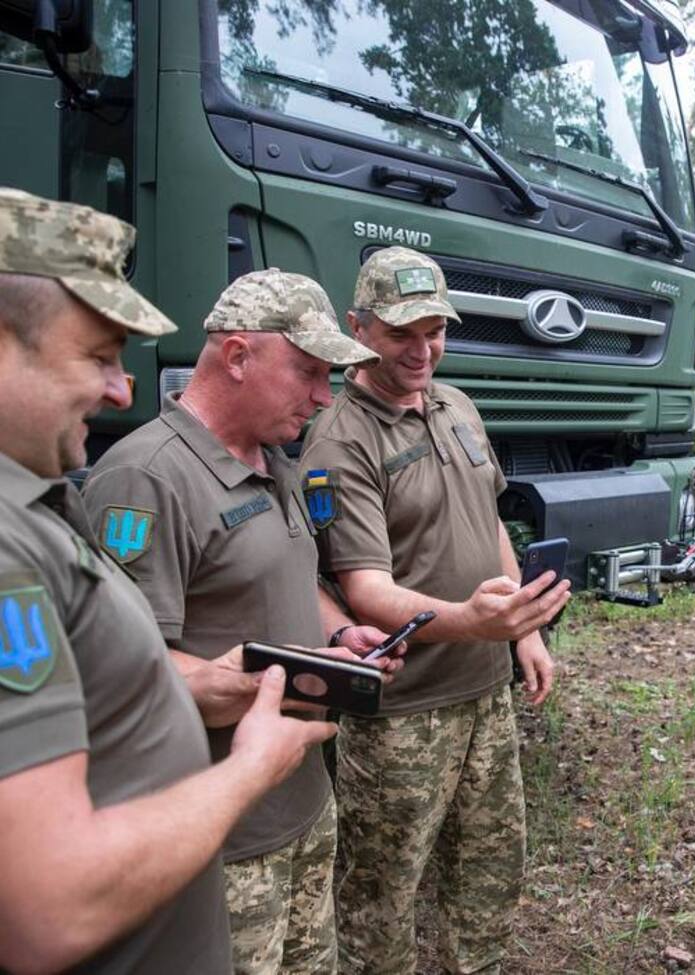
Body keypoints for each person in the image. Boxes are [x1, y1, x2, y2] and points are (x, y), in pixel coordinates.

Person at [0, 188, 334, 974]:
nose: (123, 389)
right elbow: (48, 906)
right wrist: (248, 767)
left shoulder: (37, 505)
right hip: (219, 843)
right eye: (96, 355)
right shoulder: (114, 488)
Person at [82, 268, 404, 975]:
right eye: (309, 372)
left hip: (301, 804)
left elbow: (291, 574)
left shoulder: (272, 458)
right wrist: (276, 680)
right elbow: (124, 673)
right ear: (236, 356)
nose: (323, 397)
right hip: (222, 839)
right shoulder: (147, 479)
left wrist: (337, 633)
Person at [297, 245, 570, 975]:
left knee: (489, 875)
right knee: (382, 898)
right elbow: (365, 590)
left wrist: (523, 630)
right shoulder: (341, 438)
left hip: (485, 693)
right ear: (358, 328)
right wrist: (476, 622)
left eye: (435, 331)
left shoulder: (456, 405)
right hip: (403, 711)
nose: (422, 351)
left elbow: (490, 527)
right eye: (401, 334)